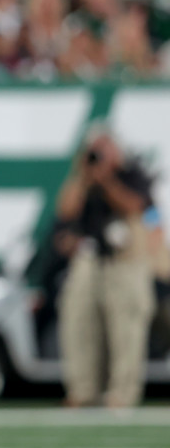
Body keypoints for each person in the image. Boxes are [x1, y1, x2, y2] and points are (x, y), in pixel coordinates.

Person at [55, 129, 156, 409]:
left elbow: (135, 206)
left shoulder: (132, 174)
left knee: (126, 329)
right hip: (90, 259)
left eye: (103, 149)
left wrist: (107, 180)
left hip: (126, 261)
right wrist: (84, 178)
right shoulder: (84, 180)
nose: (98, 155)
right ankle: (83, 389)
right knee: (79, 323)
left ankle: (122, 393)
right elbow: (65, 210)